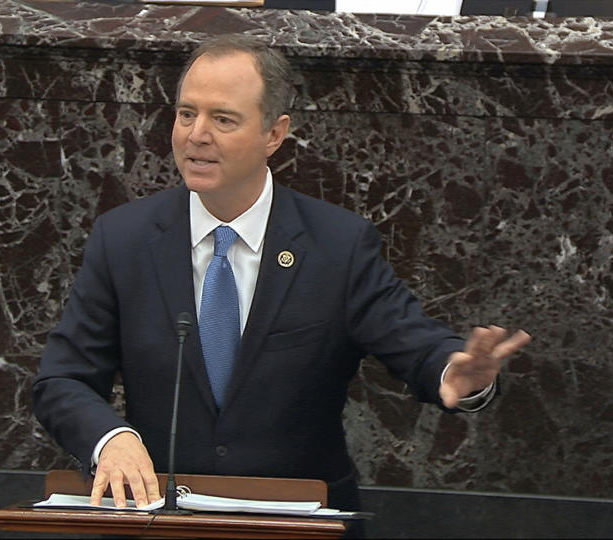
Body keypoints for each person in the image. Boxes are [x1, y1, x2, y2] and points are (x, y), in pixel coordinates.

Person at [31, 33, 531, 523]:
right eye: (186, 114)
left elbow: (415, 342)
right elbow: (62, 377)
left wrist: (455, 374)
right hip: (160, 520)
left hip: (299, 522)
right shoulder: (124, 239)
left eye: (222, 119)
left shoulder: (337, 245)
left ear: (275, 133)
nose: (195, 135)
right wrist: (110, 439)